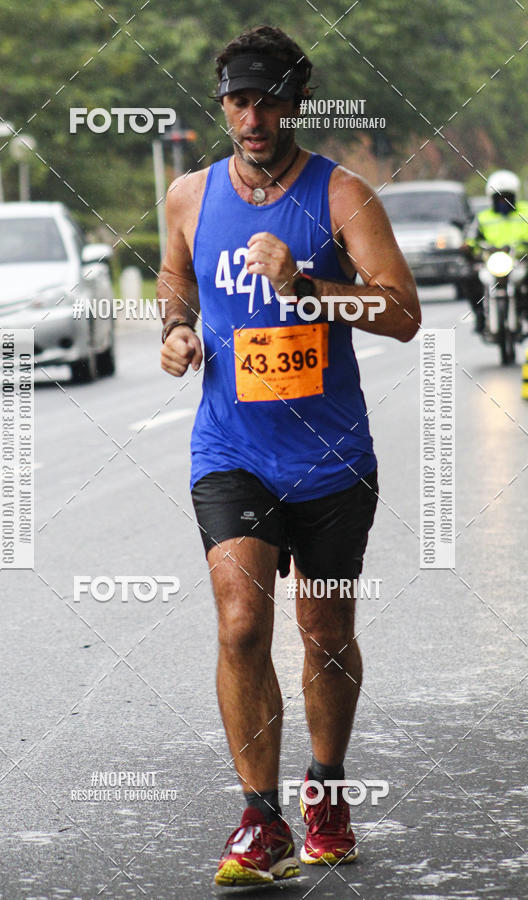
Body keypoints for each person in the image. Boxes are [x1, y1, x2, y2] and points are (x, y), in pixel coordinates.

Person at [158, 24, 421, 887]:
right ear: (222, 103)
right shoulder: (188, 196)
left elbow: (401, 313)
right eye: (238, 99)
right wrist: (177, 328)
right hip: (230, 447)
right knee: (240, 624)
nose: (252, 115)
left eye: (268, 98)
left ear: (297, 101)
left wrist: (307, 288)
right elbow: (177, 278)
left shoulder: (343, 197)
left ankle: (327, 790)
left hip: (331, 456)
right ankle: (260, 817)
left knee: (326, 633)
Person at [465, 169, 528, 332]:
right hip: (493, 261)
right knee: (470, 278)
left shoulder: (525, 212)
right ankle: (480, 316)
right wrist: (468, 247)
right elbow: (472, 239)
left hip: (520, 261)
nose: (503, 202)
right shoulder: (483, 217)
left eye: (507, 197)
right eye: (498, 198)